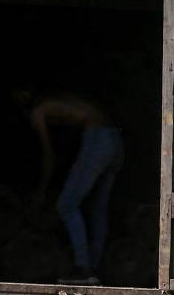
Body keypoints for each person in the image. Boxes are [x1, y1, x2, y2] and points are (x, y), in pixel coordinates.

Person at [25, 92, 123, 285]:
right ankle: (93, 269)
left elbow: (49, 156)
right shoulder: (69, 102)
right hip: (116, 141)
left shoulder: (38, 111)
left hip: (98, 140)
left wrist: (41, 190)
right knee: (97, 209)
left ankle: (82, 268)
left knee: (66, 205)